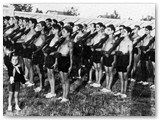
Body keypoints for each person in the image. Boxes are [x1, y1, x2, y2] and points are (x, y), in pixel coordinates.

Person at [56, 25, 73, 102]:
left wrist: (71, 65)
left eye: (64, 31)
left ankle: (66, 97)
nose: (62, 33)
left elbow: (71, 55)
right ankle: (63, 95)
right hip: (60, 59)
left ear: (68, 33)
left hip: (66, 60)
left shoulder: (70, 42)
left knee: (66, 79)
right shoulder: (63, 41)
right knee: (62, 79)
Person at [44, 24, 61, 98]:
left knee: (51, 74)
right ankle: (51, 90)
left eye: (53, 29)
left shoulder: (58, 39)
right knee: (49, 74)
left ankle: (53, 92)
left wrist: (56, 62)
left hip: (52, 58)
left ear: (57, 30)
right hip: (48, 57)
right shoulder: (52, 38)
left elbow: (57, 51)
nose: (52, 30)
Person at [115, 26, 133, 98]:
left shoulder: (130, 42)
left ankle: (124, 92)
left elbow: (131, 54)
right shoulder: (121, 40)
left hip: (125, 59)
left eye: (125, 31)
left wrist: (129, 64)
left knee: (125, 77)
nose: (123, 32)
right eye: (122, 31)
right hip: (119, 58)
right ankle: (121, 91)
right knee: (120, 76)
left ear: (129, 33)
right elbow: (117, 50)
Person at [100, 24, 116, 93]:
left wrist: (114, 60)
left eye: (109, 30)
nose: (107, 31)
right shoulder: (106, 39)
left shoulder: (114, 40)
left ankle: (109, 87)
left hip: (111, 57)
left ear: (112, 31)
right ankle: (106, 86)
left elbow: (115, 51)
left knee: (110, 72)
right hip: (105, 56)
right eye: (107, 29)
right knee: (106, 72)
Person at [89, 22, 106, 87]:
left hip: (100, 52)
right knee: (96, 67)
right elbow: (91, 43)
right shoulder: (95, 36)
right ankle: (96, 81)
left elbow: (104, 47)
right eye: (96, 27)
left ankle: (99, 81)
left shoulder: (103, 36)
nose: (96, 28)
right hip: (94, 52)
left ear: (101, 28)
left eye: (98, 27)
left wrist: (98, 49)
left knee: (100, 67)